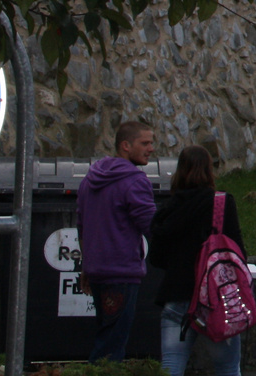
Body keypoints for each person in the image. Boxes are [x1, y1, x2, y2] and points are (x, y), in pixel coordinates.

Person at [148, 145, 246, 376]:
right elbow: (237, 251)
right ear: (209, 170)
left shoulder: (168, 209)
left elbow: (157, 258)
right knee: (227, 367)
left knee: (172, 365)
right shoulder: (221, 204)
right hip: (215, 299)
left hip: (176, 296)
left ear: (180, 171)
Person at [76, 120, 157, 362]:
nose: (151, 148)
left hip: (98, 271)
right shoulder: (135, 181)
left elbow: (82, 226)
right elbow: (152, 227)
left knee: (106, 336)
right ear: (125, 145)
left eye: (152, 142)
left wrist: (86, 265)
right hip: (122, 272)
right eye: (144, 143)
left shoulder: (89, 179)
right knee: (111, 347)